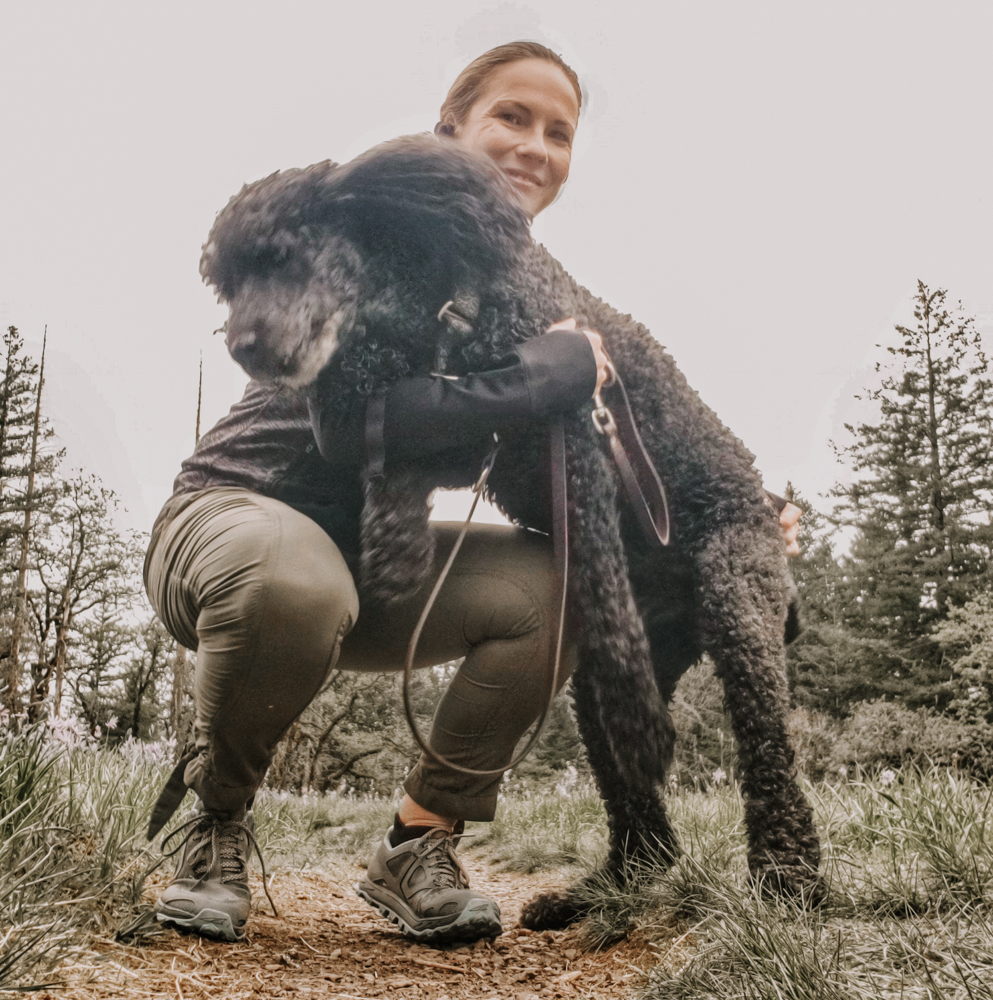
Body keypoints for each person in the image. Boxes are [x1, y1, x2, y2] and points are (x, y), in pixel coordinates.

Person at [143, 40, 803, 945]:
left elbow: (616, 402)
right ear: (450, 126)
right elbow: (357, 424)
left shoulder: (515, 275)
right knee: (292, 580)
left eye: (560, 133)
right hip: (237, 523)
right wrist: (547, 375)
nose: (536, 147)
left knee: (551, 590)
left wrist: (734, 503)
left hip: (370, 565)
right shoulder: (369, 236)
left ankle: (421, 841)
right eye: (511, 118)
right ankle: (212, 825)